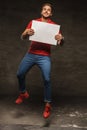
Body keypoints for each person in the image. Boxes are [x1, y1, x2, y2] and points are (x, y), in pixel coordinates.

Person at [15, 3, 64, 118]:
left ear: (51, 13)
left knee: (47, 79)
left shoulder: (54, 26)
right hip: (31, 54)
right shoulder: (33, 23)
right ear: (41, 11)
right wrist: (26, 33)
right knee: (20, 74)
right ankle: (23, 93)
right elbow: (22, 37)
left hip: (44, 56)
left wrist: (61, 39)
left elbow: (60, 43)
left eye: (49, 10)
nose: (46, 11)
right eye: (44, 9)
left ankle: (48, 104)